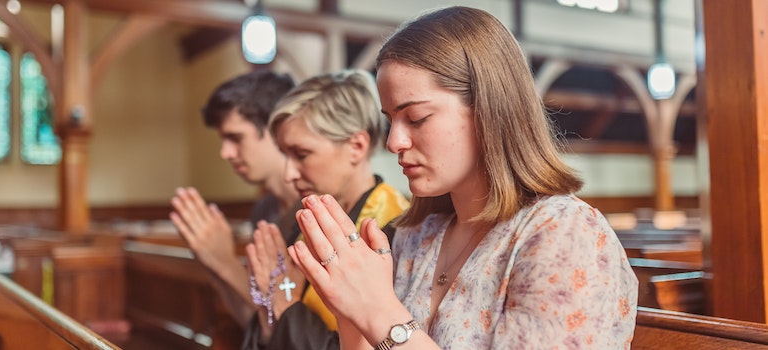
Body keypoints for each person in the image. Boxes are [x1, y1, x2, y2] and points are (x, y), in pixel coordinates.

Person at [287, 6, 638, 349]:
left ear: (488, 110)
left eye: (417, 117)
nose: (394, 142)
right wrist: (351, 311)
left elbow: (387, 327)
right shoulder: (416, 235)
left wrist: (378, 313)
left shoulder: (565, 234)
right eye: (390, 119)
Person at [242, 69, 410, 349]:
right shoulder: (298, 222)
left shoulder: (395, 229)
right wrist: (267, 311)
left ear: (356, 146)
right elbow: (268, 327)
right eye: (285, 155)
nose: (288, 174)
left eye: (302, 154)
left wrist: (284, 307)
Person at [169, 70, 301, 328]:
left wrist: (225, 262)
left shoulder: (315, 208)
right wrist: (211, 261)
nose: (225, 153)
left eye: (235, 138)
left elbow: (294, 328)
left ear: (276, 129)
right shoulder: (264, 209)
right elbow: (258, 324)